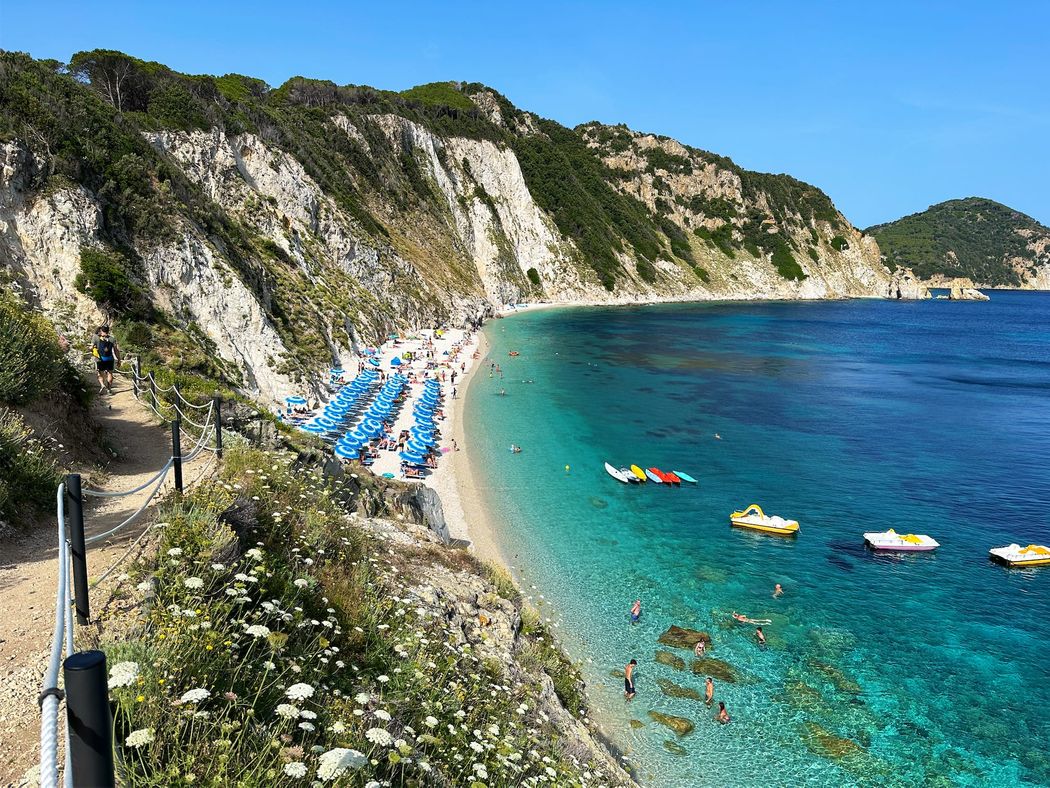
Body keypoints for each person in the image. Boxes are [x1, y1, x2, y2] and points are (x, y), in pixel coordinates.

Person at [92, 325, 120, 394]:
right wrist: (119, 359)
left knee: (100, 373)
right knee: (110, 373)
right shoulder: (112, 339)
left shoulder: (96, 337)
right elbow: (116, 350)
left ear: (101, 330)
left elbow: (91, 347)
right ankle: (109, 390)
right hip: (109, 358)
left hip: (100, 359)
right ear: (108, 330)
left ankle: (102, 385)